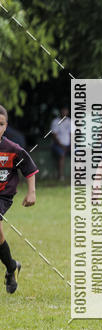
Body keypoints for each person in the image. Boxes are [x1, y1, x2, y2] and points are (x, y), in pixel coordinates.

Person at [0, 105, 38, 294]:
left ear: (6, 126)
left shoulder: (13, 149)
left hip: (3, 196)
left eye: (0, 124)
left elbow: (29, 169)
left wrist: (31, 192)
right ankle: (11, 267)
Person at [50, 107, 71, 181]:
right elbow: (54, 136)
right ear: (60, 111)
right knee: (61, 155)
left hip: (69, 145)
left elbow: (72, 135)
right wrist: (62, 146)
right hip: (57, 145)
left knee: (78, 154)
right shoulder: (55, 122)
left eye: (66, 111)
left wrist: (71, 145)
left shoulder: (70, 121)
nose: (64, 112)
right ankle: (61, 176)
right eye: (63, 111)